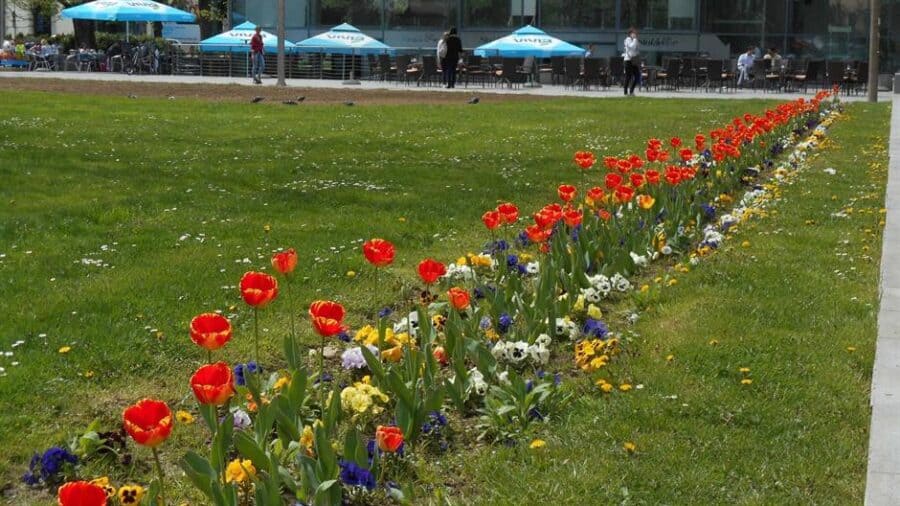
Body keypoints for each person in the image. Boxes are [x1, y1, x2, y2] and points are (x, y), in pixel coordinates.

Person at [622, 28, 640, 96]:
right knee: (628, 76)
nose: (635, 34)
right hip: (628, 60)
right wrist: (635, 40)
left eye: (635, 33)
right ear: (630, 34)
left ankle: (631, 90)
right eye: (633, 33)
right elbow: (631, 47)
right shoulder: (627, 39)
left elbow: (636, 49)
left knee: (637, 76)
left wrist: (636, 40)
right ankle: (625, 92)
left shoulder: (635, 40)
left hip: (634, 60)